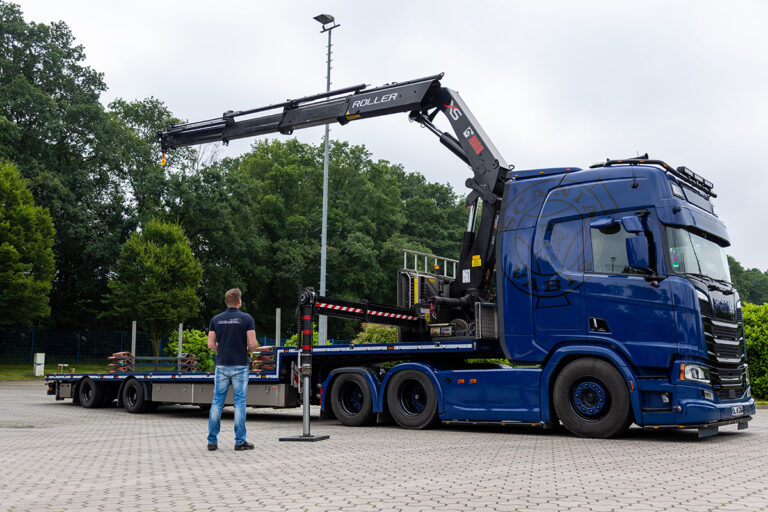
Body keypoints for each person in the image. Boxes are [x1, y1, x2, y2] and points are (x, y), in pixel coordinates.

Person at [206, 288, 258, 451]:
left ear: (226, 302)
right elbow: (252, 344)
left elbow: (210, 344)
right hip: (240, 365)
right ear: (239, 301)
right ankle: (240, 441)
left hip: (221, 365)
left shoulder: (216, 319)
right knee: (239, 402)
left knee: (217, 401)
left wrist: (222, 350)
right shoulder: (247, 319)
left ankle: (212, 441)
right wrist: (247, 350)